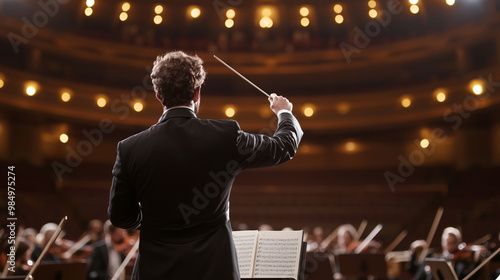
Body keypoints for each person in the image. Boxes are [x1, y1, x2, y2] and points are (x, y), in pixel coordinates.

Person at [108, 50, 303, 280]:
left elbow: (120, 216)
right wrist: (284, 113)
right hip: (214, 269)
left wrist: (153, 220)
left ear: (158, 95)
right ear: (197, 92)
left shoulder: (130, 148)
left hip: (155, 270)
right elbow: (284, 146)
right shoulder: (225, 136)